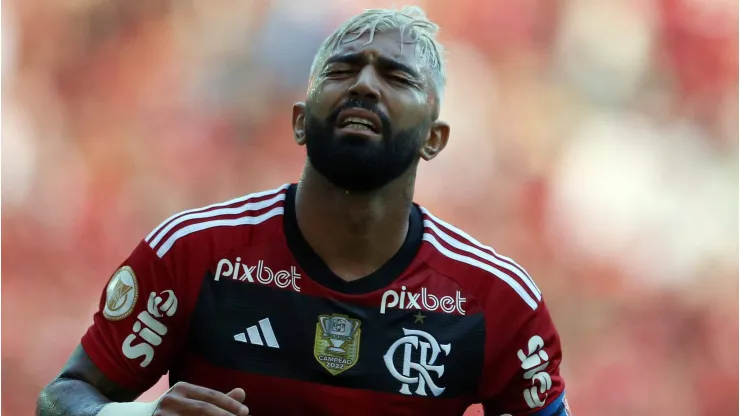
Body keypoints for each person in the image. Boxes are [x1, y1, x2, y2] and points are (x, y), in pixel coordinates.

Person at [36, 6, 570, 416]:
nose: (363, 84)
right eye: (342, 70)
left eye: (397, 77)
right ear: (298, 121)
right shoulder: (193, 252)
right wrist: (137, 414)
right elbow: (63, 397)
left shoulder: (498, 302)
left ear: (434, 139)